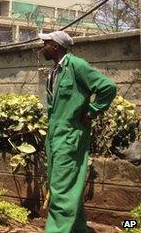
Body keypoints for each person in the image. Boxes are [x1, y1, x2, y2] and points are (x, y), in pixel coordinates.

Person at [38, 31, 117, 233]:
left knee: (61, 188)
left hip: (70, 136)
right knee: (67, 185)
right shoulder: (55, 70)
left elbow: (108, 87)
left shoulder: (76, 66)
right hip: (56, 136)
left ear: (55, 46)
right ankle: (79, 228)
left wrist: (91, 112)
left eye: (45, 43)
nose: (42, 47)